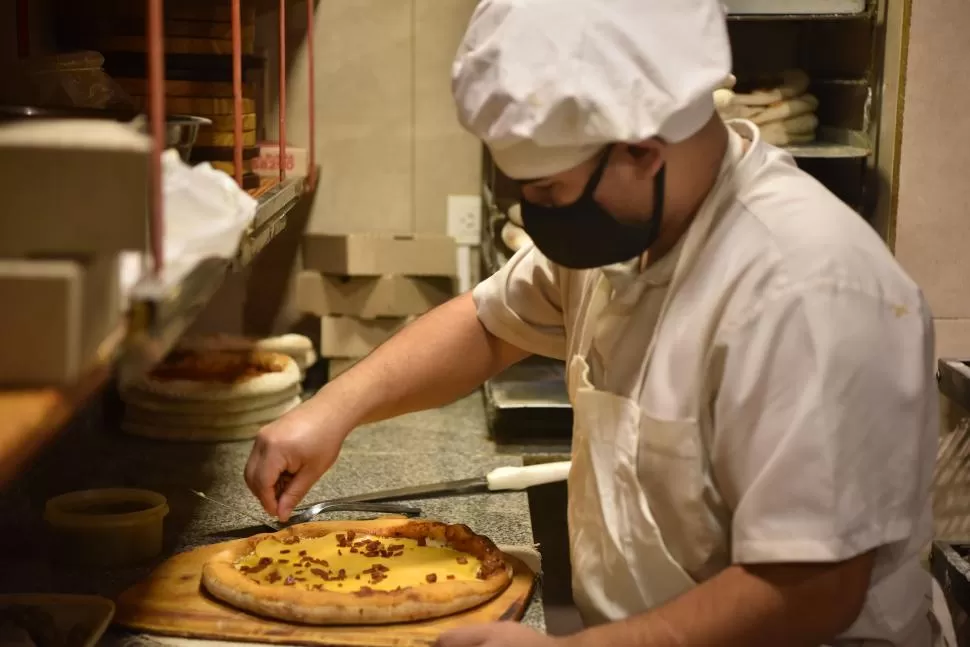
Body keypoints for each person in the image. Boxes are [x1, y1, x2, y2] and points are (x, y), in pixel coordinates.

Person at [245, 0, 953, 645]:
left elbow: (810, 589)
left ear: (643, 150)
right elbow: (488, 326)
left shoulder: (808, 290)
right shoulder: (629, 233)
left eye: (550, 190)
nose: (539, 211)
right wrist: (332, 411)